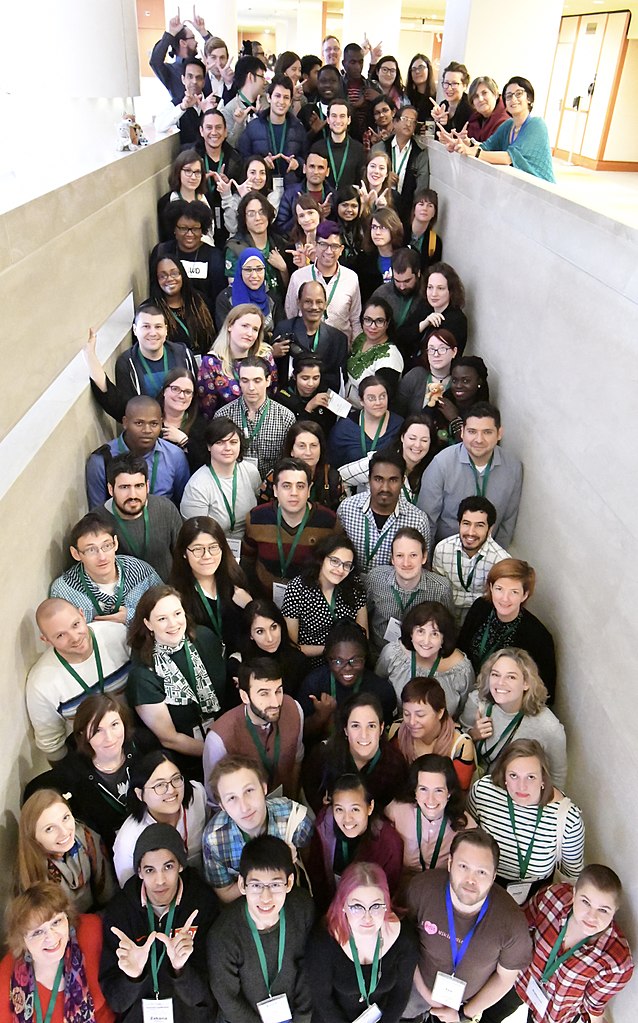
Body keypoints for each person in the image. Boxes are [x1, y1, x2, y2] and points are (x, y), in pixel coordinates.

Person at [405, 828, 532, 1021]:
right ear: (450, 864)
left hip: (466, 1004)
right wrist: (426, 993)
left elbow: (505, 978)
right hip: (418, 988)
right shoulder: (421, 890)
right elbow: (404, 945)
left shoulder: (512, 921)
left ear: (494, 876)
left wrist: (465, 1014)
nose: (470, 880)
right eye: (463, 866)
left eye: (481, 872)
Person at [487, 865, 634, 1023]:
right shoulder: (553, 896)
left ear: (615, 911)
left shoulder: (616, 961)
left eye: (603, 910)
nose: (592, 916)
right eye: (585, 902)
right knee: (490, 1014)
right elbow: (521, 926)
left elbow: (594, 1007)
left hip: (554, 1011)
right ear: (574, 894)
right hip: (523, 977)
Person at [101, 824, 218, 1023]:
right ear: (139, 872)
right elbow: (117, 1003)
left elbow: (204, 997)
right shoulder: (120, 912)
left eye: (168, 867)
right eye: (150, 870)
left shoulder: (203, 904)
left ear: (181, 865)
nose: (160, 880)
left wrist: (180, 970)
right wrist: (134, 977)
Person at [207, 835, 314, 1023]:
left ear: (289, 883)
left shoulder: (302, 908)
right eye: (256, 885)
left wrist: (302, 1019)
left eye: (275, 884)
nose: (266, 897)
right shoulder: (224, 934)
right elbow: (228, 1000)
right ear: (242, 884)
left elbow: (310, 971)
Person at [467, 739, 585, 904]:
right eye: (513, 775)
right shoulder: (483, 792)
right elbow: (468, 837)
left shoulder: (567, 818)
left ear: (543, 778)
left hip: (533, 898)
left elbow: (571, 877)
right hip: (482, 888)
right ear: (504, 775)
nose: (521, 787)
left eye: (530, 777)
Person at [126, 585, 226, 775]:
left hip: (223, 737)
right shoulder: (143, 675)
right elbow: (169, 738)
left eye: (177, 613)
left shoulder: (204, 638)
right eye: (162, 619)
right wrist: (218, 753)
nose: (173, 624)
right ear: (148, 624)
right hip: (186, 763)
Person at [306, 861, 418, 1023]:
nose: (367, 917)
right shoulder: (324, 940)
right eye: (357, 906)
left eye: (376, 906)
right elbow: (322, 1000)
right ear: (343, 905)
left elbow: (401, 993)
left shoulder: (404, 938)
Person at [23, 695, 139, 848]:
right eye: (97, 730)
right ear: (82, 734)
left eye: (115, 724)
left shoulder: (142, 750)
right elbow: (34, 792)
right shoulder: (73, 775)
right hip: (112, 849)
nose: (109, 737)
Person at [26, 598, 130, 762]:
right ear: (46, 640)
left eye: (75, 625)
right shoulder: (41, 683)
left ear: (82, 615)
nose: (74, 638)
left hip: (139, 730)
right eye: (61, 635)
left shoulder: (117, 634)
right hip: (90, 753)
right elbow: (52, 745)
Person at [202, 755, 313, 902]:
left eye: (249, 791)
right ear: (222, 806)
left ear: (264, 788)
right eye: (232, 798)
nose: (244, 807)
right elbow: (225, 894)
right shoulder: (214, 840)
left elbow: (309, 858)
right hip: (245, 904)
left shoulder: (294, 819)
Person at [1, 882, 114, 1023]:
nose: (51, 937)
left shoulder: (91, 933)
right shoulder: (7, 974)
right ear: (22, 941)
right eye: (38, 932)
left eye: (56, 922)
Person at [418, 402, 524, 548]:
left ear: (499, 433)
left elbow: (508, 522)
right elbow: (426, 521)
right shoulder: (441, 464)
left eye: (487, 432)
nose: (479, 439)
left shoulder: (513, 468)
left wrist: (496, 563)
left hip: (488, 555)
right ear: (462, 432)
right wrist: (428, 561)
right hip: (445, 554)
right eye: (472, 431)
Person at [459, 648, 567, 788]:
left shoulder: (548, 727)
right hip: (473, 786)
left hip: (516, 797)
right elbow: (457, 738)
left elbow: (557, 776)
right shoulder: (477, 701)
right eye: (495, 675)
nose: (500, 683)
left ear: (526, 683)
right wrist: (472, 734)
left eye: (511, 677)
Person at [203, 657, 304, 802]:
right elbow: (214, 796)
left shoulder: (294, 709)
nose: (275, 702)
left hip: (288, 804)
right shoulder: (219, 739)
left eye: (278, 691)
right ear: (245, 696)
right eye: (264, 694)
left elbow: (296, 762)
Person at [459, 558, 557, 701]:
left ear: (525, 595)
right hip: (467, 688)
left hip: (503, 701)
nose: (505, 599)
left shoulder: (538, 637)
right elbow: (461, 648)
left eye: (514, 592)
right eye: (499, 589)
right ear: (491, 588)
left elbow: (545, 693)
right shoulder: (481, 607)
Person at [242, 457, 337, 597]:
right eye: (286, 486)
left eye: (300, 486)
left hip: (310, 604)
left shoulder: (329, 522)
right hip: (265, 602)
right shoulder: (256, 518)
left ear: (309, 489)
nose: (294, 493)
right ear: (275, 490)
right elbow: (247, 562)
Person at [86, 304, 198, 422]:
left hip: (186, 427)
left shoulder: (184, 355)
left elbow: (197, 398)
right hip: (149, 430)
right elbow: (120, 405)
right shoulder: (127, 363)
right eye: (146, 326)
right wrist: (89, 353)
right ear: (135, 330)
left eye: (158, 327)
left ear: (166, 329)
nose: (153, 333)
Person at [308, 774, 404, 911]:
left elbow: (390, 891)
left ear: (370, 807)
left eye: (355, 809)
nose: (347, 819)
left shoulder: (388, 842)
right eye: (339, 809)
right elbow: (316, 875)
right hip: (329, 911)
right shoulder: (324, 824)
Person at [112, 751, 208, 885]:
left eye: (176, 779)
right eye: (159, 785)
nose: (171, 790)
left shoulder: (197, 795)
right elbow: (130, 889)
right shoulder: (128, 840)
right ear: (139, 794)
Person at [302, 693, 407, 813]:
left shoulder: (395, 765)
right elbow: (311, 792)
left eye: (371, 726)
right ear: (346, 729)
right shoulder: (323, 756)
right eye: (355, 725)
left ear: (381, 729)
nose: (364, 735)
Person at [49, 513, 161, 625]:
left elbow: (169, 609)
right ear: (76, 554)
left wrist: (131, 616)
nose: (102, 557)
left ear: (115, 543)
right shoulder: (64, 591)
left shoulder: (139, 571)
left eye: (107, 546)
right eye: (91, 550)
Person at [297, 618, 396, 743]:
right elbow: (301, 736)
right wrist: (320, 716)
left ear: (365, 658)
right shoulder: (314, 684)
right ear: (328, 659)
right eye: (338, 661)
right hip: (324, 754)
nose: (348, 668)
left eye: (355, 660)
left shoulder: (381, 690)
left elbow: (385, 736)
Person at [17, 790, 115, 911]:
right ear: (33, 837)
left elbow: (107, 891)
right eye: (49, 829)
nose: (64, 832)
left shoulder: (86, 837)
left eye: (65, 818)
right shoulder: (33, 871)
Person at [386, 753, 476, 884]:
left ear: (449, 792)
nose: (430, 799)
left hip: (441, 887)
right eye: (423, 789)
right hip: (401, 884)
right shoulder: (396, 811)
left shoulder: (466, 826)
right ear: (414, 791)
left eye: (438, 790)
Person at [336, 449, 431, 574]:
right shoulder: (347, 509)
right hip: (350, 586)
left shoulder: (418, 521)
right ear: (369, 480)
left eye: (393, 480)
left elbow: (422, 567)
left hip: (393, 591)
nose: (385, 488)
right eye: (378, 479)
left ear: (402, 481)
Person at [86, 396, 190, 508]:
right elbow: (98, 515)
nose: (147, 430)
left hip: (161, 522)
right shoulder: (101, 461)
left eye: (154, 424)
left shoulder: (175, 456)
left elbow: (183, 504)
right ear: (125, 423)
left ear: (161, 423)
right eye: (139, 423)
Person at [376, 600, 475, 719]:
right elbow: (377, 689)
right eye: (420, 631)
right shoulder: (392, 654)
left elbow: (464, 711)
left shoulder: (462, 669)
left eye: (434, 634)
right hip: (395, 729)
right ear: (411, 633)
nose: (426, 641)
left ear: (444, 638)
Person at [282, 534, 368, 667]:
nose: (340, 570)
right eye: (334, 561)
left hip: (348, 661)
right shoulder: (297, 588)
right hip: (311, 664)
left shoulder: (354, 585)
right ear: (321, 559)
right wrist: (332, 650)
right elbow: (292, 646)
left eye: (347, 565)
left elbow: (363, 635)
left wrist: (346, 655)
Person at [365, 527, 454, 653]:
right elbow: (363, 617)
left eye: (413, 555)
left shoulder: (441, 588)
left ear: (424, 557)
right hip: (378, 653)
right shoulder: (375, 579)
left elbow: (448, 630)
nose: (406, 563)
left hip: (421, 656)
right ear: (392, 559)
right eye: (400, 555)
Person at [452, 76, 556, 183]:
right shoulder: (508, 125)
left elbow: (509, 157)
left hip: (543, 190)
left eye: (518, 94)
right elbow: (486, 146)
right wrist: (462, 143)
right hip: (521, 186)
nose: (513, 99)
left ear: (529, 98)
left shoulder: (537, 124)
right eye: (509, 96)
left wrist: (472, 151)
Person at [179, 418, 261, 543]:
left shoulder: (251, 472)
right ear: (208, 446)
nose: (227, 448)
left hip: (250, 543)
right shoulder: (197, 485)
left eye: (233, 442)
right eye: (220, 442)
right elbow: (196, 532)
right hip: (212, 546)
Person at [212, 356, 295, 477]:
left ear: (268, 380)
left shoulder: (286, 417)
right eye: (245, 381)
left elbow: (289, 461)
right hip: (234, 485)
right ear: (239, 381)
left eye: (257, 381)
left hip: (271, 489)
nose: (251, 387)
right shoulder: (223, 415)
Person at [433, 496, 511, 626]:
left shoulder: (501, 561)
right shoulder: (442, 549)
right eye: (466, 523)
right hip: (446, 618)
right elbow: (438, 592)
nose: (471, 532)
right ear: (459, 523)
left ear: (490, 528)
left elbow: (495, 602)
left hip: (481, 622)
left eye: (479, 525)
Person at [285, 219, 363, 343]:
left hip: (340, 350)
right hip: (306, 349)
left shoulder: (351, 278)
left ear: (341, 249)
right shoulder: (299, 277)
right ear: (315, 245)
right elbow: (291, 315)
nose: (328, 251)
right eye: (323, 245)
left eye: (334, 246)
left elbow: (355, 320)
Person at [391, 679, 476, 790]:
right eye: (406, 714)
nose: (411, 722)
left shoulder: (460, 745)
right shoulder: (396, 731)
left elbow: (458, 793)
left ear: (440, 712)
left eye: (420, 715)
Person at [198, 304, 277, 419]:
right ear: (230, 326)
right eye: (245, 326)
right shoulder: (212, 363)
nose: (249, 333)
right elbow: (208, 410)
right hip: (225, 430)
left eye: (255, 329)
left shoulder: (265, 356)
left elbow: (272, 394)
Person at [273, 279, 348, 393]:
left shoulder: (338, 339)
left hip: (323, 402)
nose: (314, 307)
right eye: (308, 301)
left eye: (319, 302)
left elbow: (337, 381)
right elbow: (274, 372)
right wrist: (272, 354)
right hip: (288, 401)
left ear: (325, 303)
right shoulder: (284, 329)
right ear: (299, 302)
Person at [154, 199, 227, 316]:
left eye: (195, 229)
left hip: (203, 319)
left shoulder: (215, 257)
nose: (189, 234)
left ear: (202, 230)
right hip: (169, 318)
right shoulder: (162, 251)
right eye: (183, 228)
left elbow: (218, 298)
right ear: (174, 229)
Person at [227, 598, 310, 698]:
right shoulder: (237, 664)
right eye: (260, 631)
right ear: (250, 635)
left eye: (274, 627)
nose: (270, 638)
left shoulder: (298, 660)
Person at [238, 74, 308, 187]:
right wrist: (260, 163)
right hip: (262, 189)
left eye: (286, 97)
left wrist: (298, 164)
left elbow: (306, 159)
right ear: (269, 98)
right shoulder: (253, 127)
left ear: (290, 101)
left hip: (290, 190)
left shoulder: (298, 128)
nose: (281, 101)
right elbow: (242, 159)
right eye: (277, 96)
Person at [259, 420, 343, 510]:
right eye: (301, 446)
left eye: (313, 445)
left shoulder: (332, 476)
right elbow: (262, 511)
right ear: (291, 450)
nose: (308, 452)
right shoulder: (275, 476)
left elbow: (339, 514)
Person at [329, 378, 403, 478]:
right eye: (371, 398)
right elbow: (333, 463)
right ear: (361, 401)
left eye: (382, 397)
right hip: (350, 487)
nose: (378, 402)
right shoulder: (345, 427)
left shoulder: (399, 425)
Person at [225, 192, 291, 298]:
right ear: (244, 218)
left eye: (262, 212)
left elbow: (290, 291)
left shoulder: (279, 243)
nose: (258, 218)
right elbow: (235, 290)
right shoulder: (236, 248)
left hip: (279, 308)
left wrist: (284, 269)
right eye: (251, 214)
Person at [149, 252, 216, 355]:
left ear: (182, 275)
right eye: (163, 276)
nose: (170, 279)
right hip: (173, 368)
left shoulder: (200, 301)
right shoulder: (151, 310)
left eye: (174, 273)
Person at [395, 329, 459, 437]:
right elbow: (397, 412)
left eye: (442, 349)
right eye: (431, 349)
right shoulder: (415, 375)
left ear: (454, 352)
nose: (436, 354)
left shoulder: (459, 382)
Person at [194, 107, 244, 244]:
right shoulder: (192, 159)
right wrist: (199, 182)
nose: (214, 132)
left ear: (225, 131)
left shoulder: (235, 159)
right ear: (201, 131)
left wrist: (229, 187)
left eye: (218, 127)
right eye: (209, 127)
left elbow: (241, 195)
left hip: (229, 226)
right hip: (201, 226)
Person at [372, 107, 430, 223]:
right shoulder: (380, 147)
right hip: (379, 206)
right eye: (405, 119)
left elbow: (422, 186)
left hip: (406, 210)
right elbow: (369, 175)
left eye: (413, 121)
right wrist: (385, 176)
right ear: (395, 122)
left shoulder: (420, 151)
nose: (408, 124)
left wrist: (415, 211)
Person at [370, 248, 430, 358]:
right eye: (397, 281)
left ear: (418, 273)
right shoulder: (381, 294)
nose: (402, 287)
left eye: (407, 281)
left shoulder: (428, 295)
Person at [215, 248, 285, 336]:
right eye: (248, 270)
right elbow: (226, 334)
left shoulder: (272, 298)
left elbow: (280, 332)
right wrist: (267, 337)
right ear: (240, 271)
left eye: (259, 269)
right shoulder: (226, 298)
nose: (254, 276)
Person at [346, 297, 404, 403]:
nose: (373, 326)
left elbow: (382, 400)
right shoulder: (361, 338)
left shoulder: (390, 357)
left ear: (387, 323)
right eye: (368, 320)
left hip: (365, 413)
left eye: (379, 321)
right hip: (344, 406)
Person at [411, 262, 468, 362]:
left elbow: (435, 358)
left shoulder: (456, 320)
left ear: (451, 292)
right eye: (430, 287)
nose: (433, 294)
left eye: (440, 288)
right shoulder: (425, 306)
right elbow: (401, 335)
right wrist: (423, 324)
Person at [150, 9, 209, 103]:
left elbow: (217, 51)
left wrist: (203, 32)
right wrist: (171, 34)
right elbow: (155, 61)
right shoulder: (170, 71)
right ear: (183, 42)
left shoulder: (202, 65)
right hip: (182, 114)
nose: (196, 42)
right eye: (193, 38)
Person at [157, 367, 210, 472]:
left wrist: (185, 442)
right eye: (175, 389)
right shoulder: (151, 421)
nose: (181, 396)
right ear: (164, 391)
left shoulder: (200, 425)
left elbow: (206, 463)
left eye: (187, 392)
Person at [157, 149, 213, 245]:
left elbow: (210, 233)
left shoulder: (207, 198)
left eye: (197, 172)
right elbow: (166, 237)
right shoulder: (166, 202)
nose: (193, 177)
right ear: (178, 172)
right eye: (188, 171)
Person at [309, 99, 366, 191]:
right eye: (334, 116)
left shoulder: (358, 149)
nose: (338, 120)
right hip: (324, 201)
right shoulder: (317, 148)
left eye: (342, 116)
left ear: (349, 120)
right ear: (328, 119)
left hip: (348, 202)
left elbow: (361, 181)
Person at [155, 57, 210, 145]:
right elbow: (159, 126)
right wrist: (182, 107)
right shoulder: (177, 103)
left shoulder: (214, 102)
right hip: (188, 156)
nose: (194, 81)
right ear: (183, 79)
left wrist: (210, 112)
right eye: (190, 77)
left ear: (203, 82)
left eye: (198, 77)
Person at [275, 152, 331, 234]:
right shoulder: (290, 194)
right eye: (312, 166)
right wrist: (300, 214)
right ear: (304, 169)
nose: (315, 172)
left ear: (327, 172)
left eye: (320, 168)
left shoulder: (333, 196)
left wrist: (323, 216)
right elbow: (280, 228)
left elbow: (338, 229)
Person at [357, 208, 405, 304]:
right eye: (374, 227)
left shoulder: (405, 256)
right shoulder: (363, 261)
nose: (377, 232)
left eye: (383, 227)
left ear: (393, 228)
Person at [394, 413, 442, 503]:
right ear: (402, 437)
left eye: (424, 440)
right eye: (412, 438)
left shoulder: (436, 468)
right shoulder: (382, 461)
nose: (417, 445)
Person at [222, 55, 269, 147]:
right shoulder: (229, 110)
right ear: (250, 76)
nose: (265, 82)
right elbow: (230, 145)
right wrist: (238, 124)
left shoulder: (268, 103)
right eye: (262, 76)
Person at [431, 61, 473, 138]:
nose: (449, 88)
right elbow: (438, 137)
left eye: (454, 84)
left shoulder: (470, 108)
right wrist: (437, 120)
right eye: (446, 83)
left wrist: (447, 123)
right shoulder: (443, 105)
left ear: (465, 86)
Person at [406, 188, 443, 274]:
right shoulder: (400, 231)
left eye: (430, 205)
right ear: (414, 208)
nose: (424, 209)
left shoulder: (435, 242)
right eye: (421, 204)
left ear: (434, 213)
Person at [466, 76, 509, 143]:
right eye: (476, 96)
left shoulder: (505, 120)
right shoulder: (474, 119)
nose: (480, 99)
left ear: (496, 94)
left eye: (484, 93)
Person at [335, 184, 365, 268]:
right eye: (344, 205)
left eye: (354, 206)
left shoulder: (363, 228)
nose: (349, 210)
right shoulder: (330, 228)